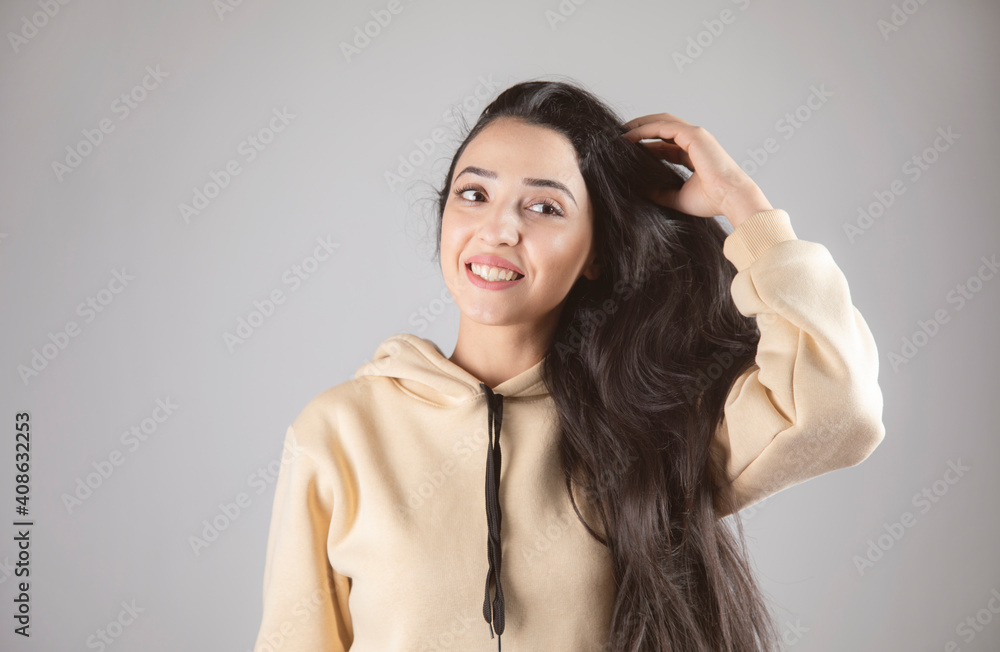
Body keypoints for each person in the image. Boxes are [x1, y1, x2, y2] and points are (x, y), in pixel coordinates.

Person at [251, 78, 886, 652]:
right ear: (444, 218)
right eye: (474, 194)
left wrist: (743, 206)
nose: (498, 229)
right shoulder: (338, 432)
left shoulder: (648, 428)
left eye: (544, 207)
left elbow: (839, 409)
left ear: (596, 254)